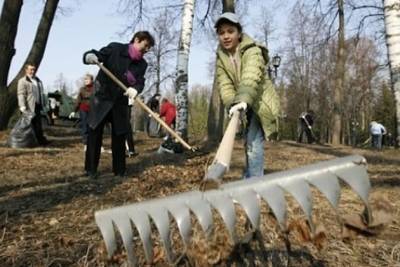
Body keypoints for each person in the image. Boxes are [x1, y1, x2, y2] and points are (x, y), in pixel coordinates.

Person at [214, 12, 280, 179]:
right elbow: (225, 85)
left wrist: (242, 100)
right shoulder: (221, 58)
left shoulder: (252, 51)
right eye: (221, 33)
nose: (226, 36)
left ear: (239, 33)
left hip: (261, 102)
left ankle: (254, 186)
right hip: (244, 103)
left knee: (253, 143)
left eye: (230, 31)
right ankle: (250, 179)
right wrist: (232, 105)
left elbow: (250, 77)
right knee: (249, 143)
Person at [83, 31, 155, 178]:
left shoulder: (142, 64)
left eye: (149, 48)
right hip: (102, 99)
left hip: (120, 103)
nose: (146, 50)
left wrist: (135, 89)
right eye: (145, 45)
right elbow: (98, 54)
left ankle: (119, 171)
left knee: (119, 136)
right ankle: (91, 170)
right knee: (94, 134)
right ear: (136, 40)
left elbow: (140, 81)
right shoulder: (115, 49)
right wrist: (89, 56)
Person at [17, 63, 49, 146]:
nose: (32, 71)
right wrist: (22, 106)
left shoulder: (37, 80)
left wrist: (44, 104)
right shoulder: (22, 81)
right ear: (26, 70)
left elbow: (41, 93)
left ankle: (40, 141)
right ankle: (26, 143)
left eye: (34, 69)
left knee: (38, 125)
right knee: (27, 127)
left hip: (37, 106)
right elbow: (21, 94)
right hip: (28, 107)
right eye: (31, 69)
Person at [69, 74, 95, 147]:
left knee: (92, 126)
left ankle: (93, 143)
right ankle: (85, 144)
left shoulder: (95, 88)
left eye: (87, 79)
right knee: (85, 126)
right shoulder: (82, 89)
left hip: (92, 110)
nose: (86, 81)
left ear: (91, 80)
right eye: (85, 79)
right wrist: (74, 111)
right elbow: (78, 100)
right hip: (83, 109)